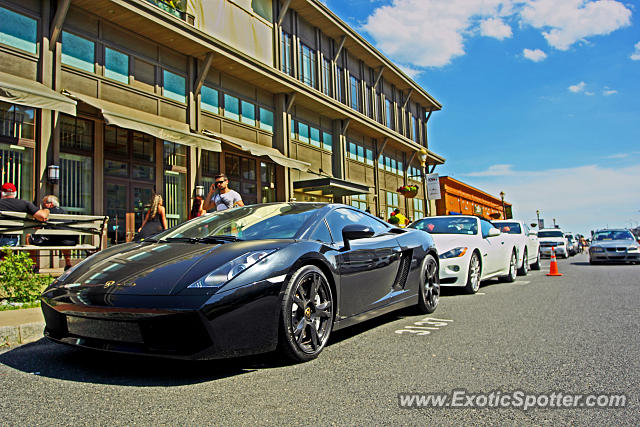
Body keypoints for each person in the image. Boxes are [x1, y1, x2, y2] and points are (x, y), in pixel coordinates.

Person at [28, 195, 75, 271]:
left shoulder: (47, 212)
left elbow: (37, 227)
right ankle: (68, 263)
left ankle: (34, 265)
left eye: (44, 203)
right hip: (69, 242)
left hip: (53, 241)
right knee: (64, 237)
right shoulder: (64, 212)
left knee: (28, 236)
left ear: (51, 204)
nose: (42, 206)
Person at [0, 182, 49, 247]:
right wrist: (46, 210)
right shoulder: (24, 204)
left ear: (2, 193)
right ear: (15, 193)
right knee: (5, 256)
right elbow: (42, 216)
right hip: (10, 239)